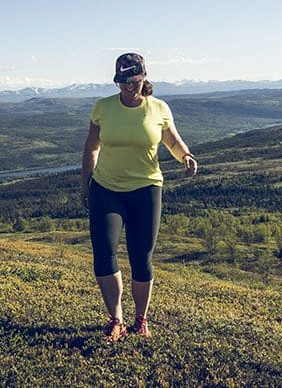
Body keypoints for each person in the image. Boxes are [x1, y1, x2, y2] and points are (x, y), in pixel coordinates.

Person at [81, 52, 198, 341]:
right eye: (122, 81)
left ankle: (141, 319)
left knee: (141, 257)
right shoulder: (103, 108)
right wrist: (86, 185)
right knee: (104, 255)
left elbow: (171, 139)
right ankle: (115, 318)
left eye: (132, 80)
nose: (127, 86)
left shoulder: (158, 108)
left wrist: (185, 156)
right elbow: (91, 148)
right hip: (106, 189)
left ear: (143, 77)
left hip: (146, 190)